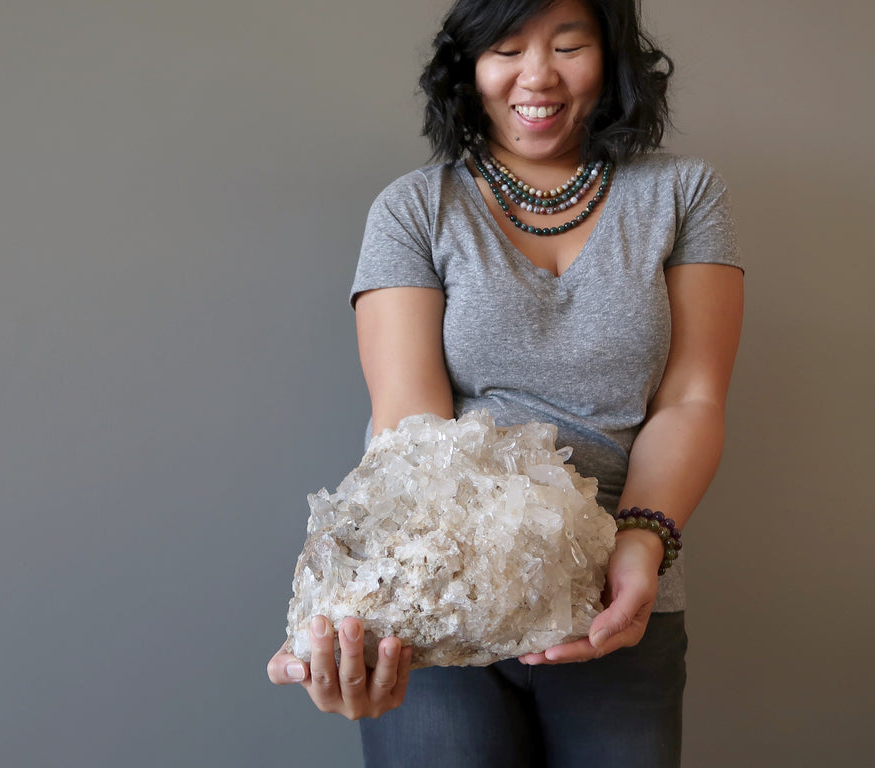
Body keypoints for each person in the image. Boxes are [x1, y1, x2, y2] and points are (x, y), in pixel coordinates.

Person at [268, 0, 743, 764]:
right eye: (507, 48)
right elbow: (407, 428)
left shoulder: (684, 194)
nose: (537, 75)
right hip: (446, 592)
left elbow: (692, 399)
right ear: (469, 65)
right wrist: (371, 614)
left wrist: (640, 545)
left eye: (567, 44)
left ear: (610, 55)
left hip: (622, 597)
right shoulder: (415, 209)